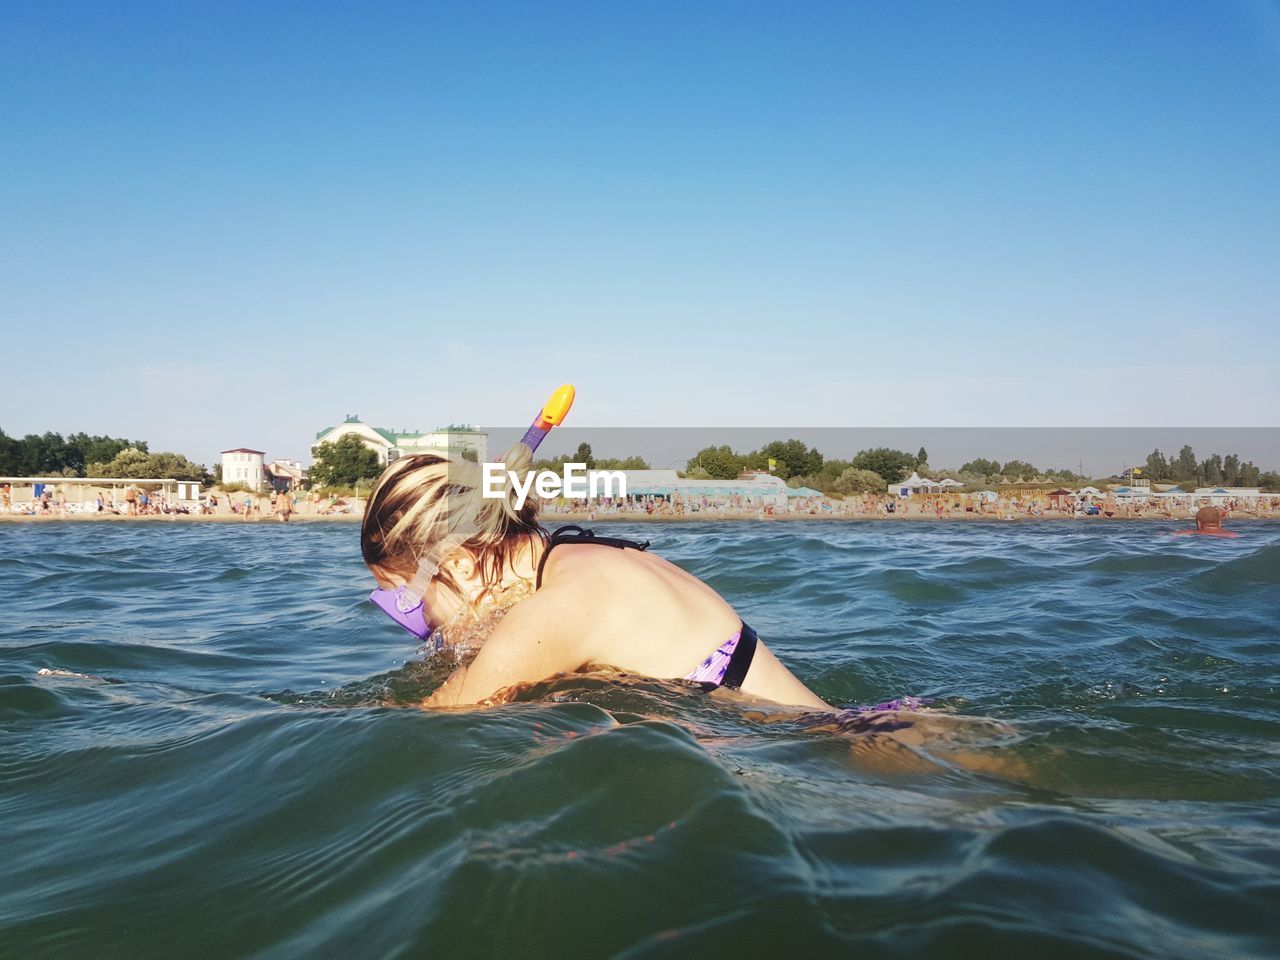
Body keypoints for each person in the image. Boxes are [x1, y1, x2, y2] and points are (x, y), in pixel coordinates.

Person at [361, 454, 830, 710]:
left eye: (407, 602)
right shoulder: (576, 556)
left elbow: (441, 717)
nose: (421, 625)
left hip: (830, 762)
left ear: (460, 566)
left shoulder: (556, 609)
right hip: (854, 735)